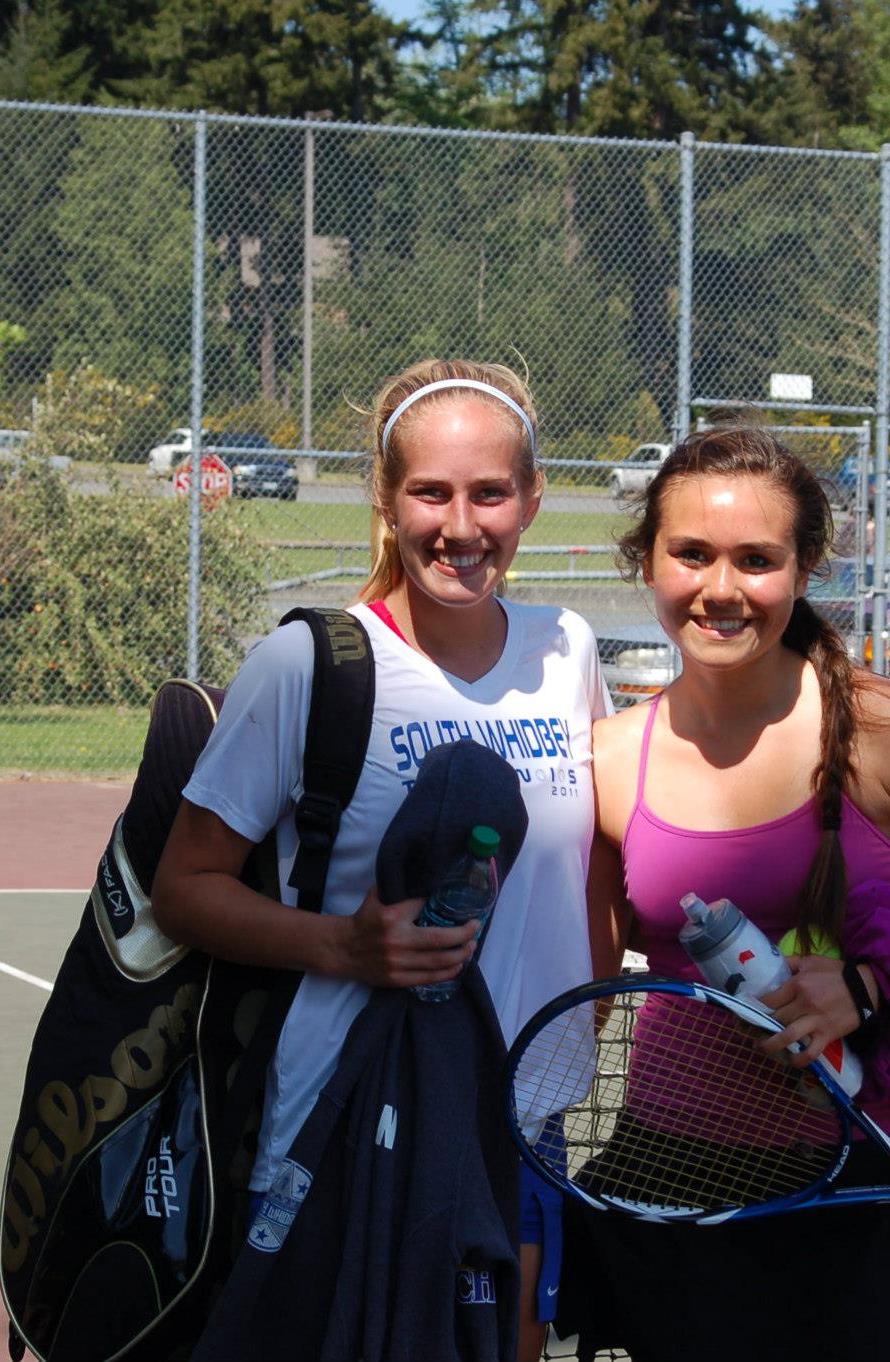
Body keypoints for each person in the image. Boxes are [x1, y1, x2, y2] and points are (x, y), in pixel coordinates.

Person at [565, 425, 890, 1362]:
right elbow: (582, 996)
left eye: (756, 560)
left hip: (868, 1186)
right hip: (675, 1186)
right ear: (647, 560)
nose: (721, 588)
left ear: (803, 571)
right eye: (691, 554)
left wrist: (871, 991)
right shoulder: (609, 758)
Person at [150, 359, 608, 1362]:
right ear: (386, 501)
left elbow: (586, 870)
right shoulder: (307, 666)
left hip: (523, 1118)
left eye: (490, 493)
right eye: (430, 493)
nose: (461, 525)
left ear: (532, 499)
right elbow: (182, 889)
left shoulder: (566, 650)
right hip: (342, 1115)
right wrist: (343, 947)